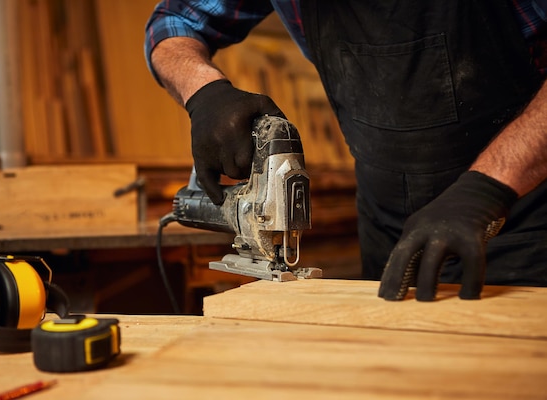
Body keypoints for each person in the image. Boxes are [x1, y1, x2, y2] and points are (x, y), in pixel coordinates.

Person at [144, 1, 547, 301]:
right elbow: (174, 21)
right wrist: (204, 91)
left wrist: (488, 188)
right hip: (388, 220)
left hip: (522, 210)